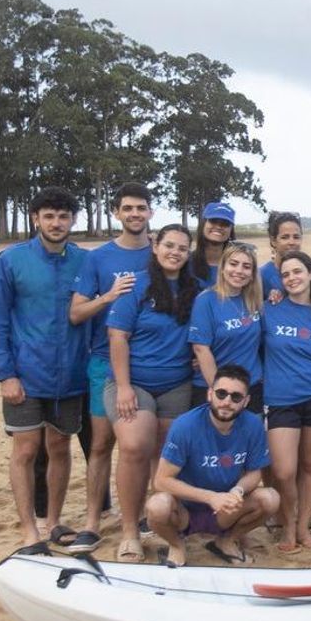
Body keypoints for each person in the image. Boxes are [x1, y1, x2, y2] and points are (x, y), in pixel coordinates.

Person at [0, 187, 90, 553]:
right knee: (25, 450)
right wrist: (5, 374)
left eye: (63, 216)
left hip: (70, 375)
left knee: (60, 447)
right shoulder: (11, 260)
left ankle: (53, 521)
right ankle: (29, 529)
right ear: (35, 218)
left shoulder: (84, 262)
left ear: (73, 220)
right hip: (25, 375)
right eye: (49, 216)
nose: (56, 223)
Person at [65, 182, 154, 554]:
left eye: (141, 208)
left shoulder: (164, 252)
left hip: (151, 362)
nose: (135, 214)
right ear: (117, 213)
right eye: (128, 208)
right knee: (101, 444)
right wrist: (109, 297)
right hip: (104, 361)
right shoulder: (98, 259)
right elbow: (75, 313)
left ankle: (146, 512)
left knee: (146, 444)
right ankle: (92, 521)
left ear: (150, 213)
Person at [105, 223, 198, 562]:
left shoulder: (195, 289)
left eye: (182, 248)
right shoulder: (135, 286)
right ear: (156, 247)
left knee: (168, 453)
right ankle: (129, 530)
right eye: (169, 245)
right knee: (133, 446)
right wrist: (125, 386)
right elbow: (117, 338)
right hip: (134, 382)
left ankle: (157, 522)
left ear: (189, 254)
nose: (175, 252)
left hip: (177, 382)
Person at [144, 364, 280, 566]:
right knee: (157, 506)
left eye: (236, 397)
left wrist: (237, 490)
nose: (227, 402)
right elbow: (162, 481)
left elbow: (255, 473)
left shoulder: (252, 424)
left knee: (270, 498)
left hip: (225, 509)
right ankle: (176, 545)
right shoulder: (185, 425)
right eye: (221, 393)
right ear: (210, 394)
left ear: (246, 401)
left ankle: (226, 541)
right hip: (184, 509)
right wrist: (210, 497)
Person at [263, 251, 311, 553]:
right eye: (286, 274)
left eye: (297, 272)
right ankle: (287, 523)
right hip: (280, 399)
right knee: (283, 470)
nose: (292, 278)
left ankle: (302, 527)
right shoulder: (270, 308)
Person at [189, 243, 263, 412]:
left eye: (246, 267)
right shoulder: (206, 300)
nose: (239, 271)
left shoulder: (253, 300)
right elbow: (201, 348)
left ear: (252, 274)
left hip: (250, 385)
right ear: (222, 268)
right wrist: (219, 391)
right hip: (215, 387)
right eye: (233, 263)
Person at [187, 201, 235, 290]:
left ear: (231, 230)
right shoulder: (186, 263)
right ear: (203, 225)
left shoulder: (239, 267)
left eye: (225, 223)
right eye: (213, 221)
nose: (218, 227)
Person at [258, 210, 303, 301]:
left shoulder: (307, 272)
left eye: (296, 237)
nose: (291, 242)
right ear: (273, 241)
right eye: (285, 237)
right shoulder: (261, 276)